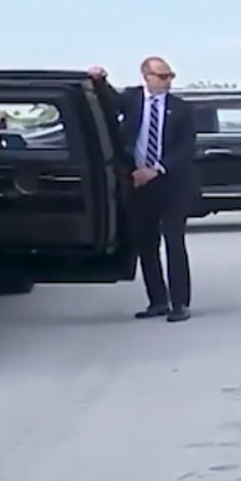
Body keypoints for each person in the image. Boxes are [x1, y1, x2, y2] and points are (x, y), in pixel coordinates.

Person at [88, 58, 198, 322]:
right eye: (162, 76)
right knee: (146, 243)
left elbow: (186, 149)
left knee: (173, 240)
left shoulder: (182, 109)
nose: (168, 81)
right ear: (146, 76)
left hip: (172, 183)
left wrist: (157, 169)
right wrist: (100, 80)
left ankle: (180, 303)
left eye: (170, 76)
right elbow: (108, 103)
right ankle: (157, 301)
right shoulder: (132, 99)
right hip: (139, 182)